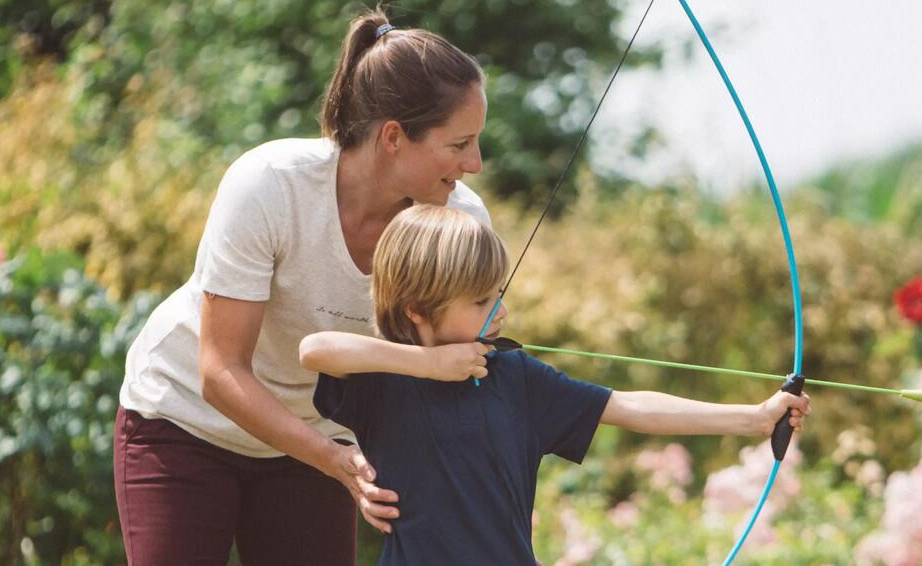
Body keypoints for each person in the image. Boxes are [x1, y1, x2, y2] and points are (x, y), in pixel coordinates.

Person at [113, 8, 498, 565]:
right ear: (394, 137)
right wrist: (335, 461)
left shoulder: (460, 221)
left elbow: (450, 363)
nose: (476, 164)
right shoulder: (271, 185)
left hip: (314, 443)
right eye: (459, 144)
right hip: (185, 422)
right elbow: (220, 371)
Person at [299, 204, 813, 564]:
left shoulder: (514, 378)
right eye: (481, 302)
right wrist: (428, 364)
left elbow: (630, 406)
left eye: (496, 294)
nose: (499, 311)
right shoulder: (384, 382)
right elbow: (315, 350)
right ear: (417, 308)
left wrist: (751, 417)